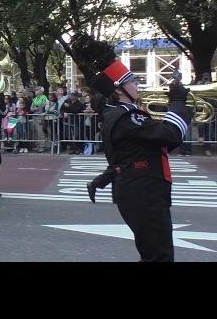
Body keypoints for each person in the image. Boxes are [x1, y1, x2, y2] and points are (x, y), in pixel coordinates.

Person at [72, 33, 189, 262]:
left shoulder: (119, 114)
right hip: (144, 191)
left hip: (140, 189)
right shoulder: (126, 117)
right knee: (160, 256)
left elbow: (127, 154)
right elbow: (171, 135)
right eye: (132, 81)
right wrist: (178, 102)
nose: (138, 84)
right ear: (118, 89)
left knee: (152, 254)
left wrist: (102, 180)